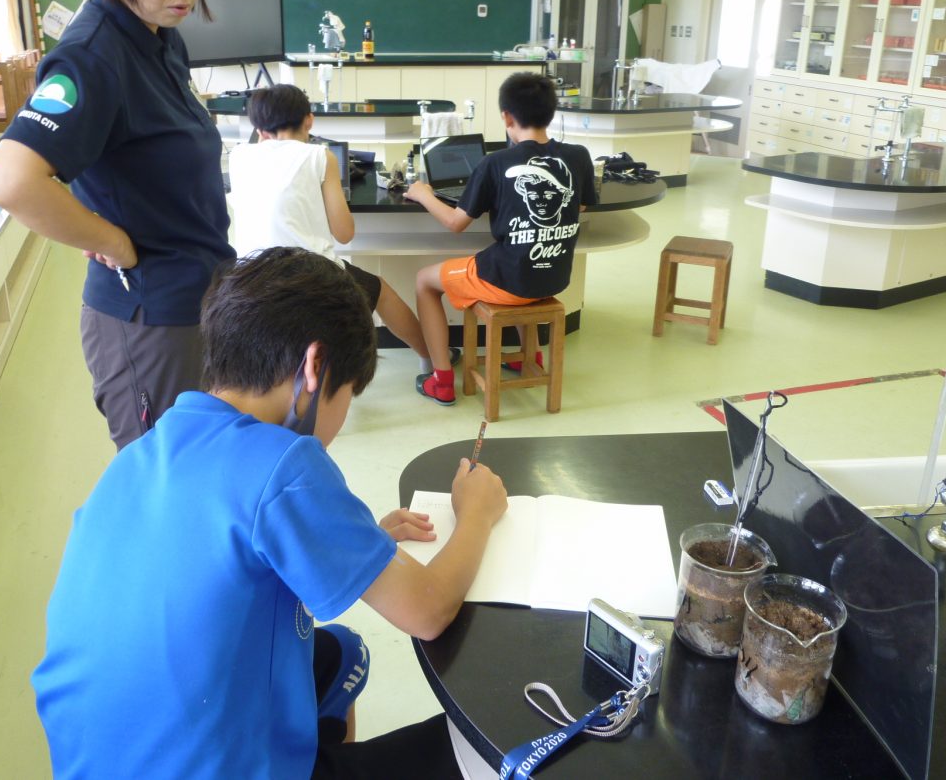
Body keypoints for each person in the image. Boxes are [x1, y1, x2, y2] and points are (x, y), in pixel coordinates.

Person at [32, 247, 508, 779]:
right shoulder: (284, 462)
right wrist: (476, 515)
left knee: (342, 652)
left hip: (94, 762)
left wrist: (359, 542)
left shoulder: (144, 452)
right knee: (487, 750)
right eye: (346, 393)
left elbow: (215, 573)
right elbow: (430, 611)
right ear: (314, 366)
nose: (338, 421)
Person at [0, 0, 234, 450]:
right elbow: (10, 179)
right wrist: (112, 242)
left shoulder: (160, 35)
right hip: (148, 316)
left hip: (195, 296)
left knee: (198, 467)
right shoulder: (93, 56)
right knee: (161, 480)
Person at [404, 72, 596, 405]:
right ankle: (529, 358)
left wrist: (422, 194)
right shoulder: (579, 156)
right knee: (523, 265)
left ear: (507, 116)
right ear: (551, 113)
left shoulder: (495, 163)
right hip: (554, 275)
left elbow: (455, 222)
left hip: (509, 279)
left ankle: (442, 380)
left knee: (424, 281)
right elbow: (578, 204)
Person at [229, 84, 438, 370]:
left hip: (251, 276)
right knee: (380, 290)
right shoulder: (319, 156)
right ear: (309, 120)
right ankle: (433, 360)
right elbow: (344, 233)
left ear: (260, 129)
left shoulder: (238, 156)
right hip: (307, 276)